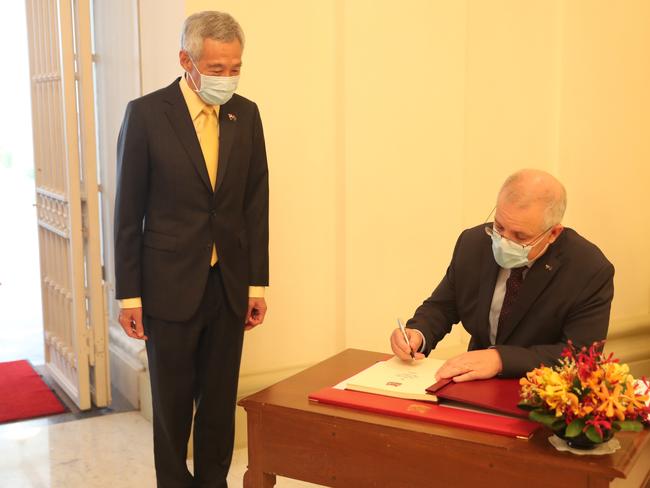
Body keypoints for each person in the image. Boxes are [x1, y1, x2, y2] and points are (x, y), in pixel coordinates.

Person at [114, 11, 269, 487]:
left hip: (228, 285)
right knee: (173, 403)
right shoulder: (145, 115)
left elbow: (255, 204)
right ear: (187, 60)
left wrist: (256, 283)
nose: (228, 78)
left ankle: (213, 482)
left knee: (220, 402)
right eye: (217, 69)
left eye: (235, 68)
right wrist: (129, 296)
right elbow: (127, 211)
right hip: (168, 288)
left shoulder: (247, 115)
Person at [390, 169, 614, 382]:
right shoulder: (474, 243)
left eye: (520, 236)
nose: (504, 241)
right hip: (474, 386)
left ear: (553, 233)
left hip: (544, 396)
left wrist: (501, 360)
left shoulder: (588, 269)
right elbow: (443, 306)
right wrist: (417, 334)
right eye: (499, 227)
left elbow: (579, 357)